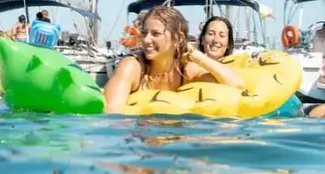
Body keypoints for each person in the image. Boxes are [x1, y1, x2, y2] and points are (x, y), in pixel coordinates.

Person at [103, 7, 245, 113]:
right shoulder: (132, 67)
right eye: (145, 33)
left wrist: (197, 55)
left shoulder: (184, 71)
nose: (146, 40)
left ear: (178, 38)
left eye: (156, 34)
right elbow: (112, 115)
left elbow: (237, 85)